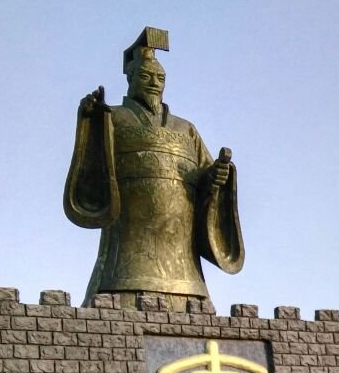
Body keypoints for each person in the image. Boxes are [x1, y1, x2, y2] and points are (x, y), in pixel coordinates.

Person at [65, 27, 243, 308]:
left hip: (182, 261)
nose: (154, 83)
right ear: (131, 78)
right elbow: (93, 169)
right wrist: (90, 119)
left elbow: (206, 177)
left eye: (160, 78)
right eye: (146, 76)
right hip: (125, 256)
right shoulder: (114, 118)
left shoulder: (186, 129)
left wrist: (217, 175)